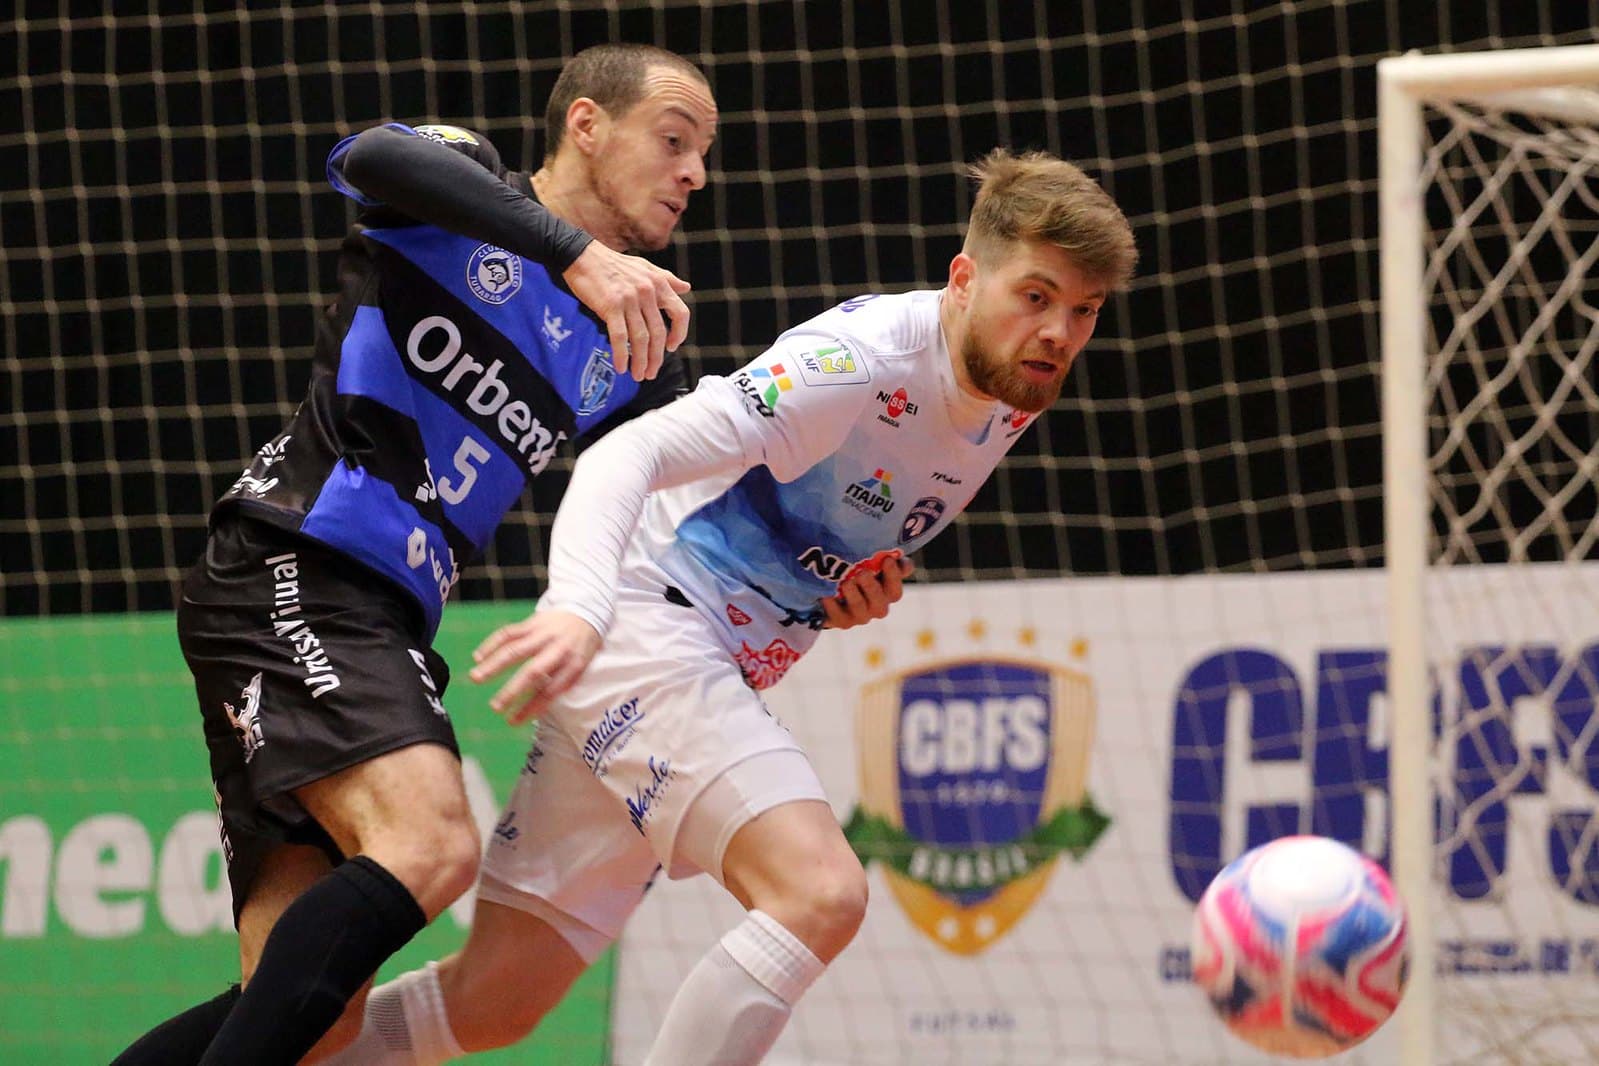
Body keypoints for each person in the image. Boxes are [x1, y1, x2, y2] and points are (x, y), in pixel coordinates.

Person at [328, 147, 1138, 1066]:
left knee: (494, 1003)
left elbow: (811, 523)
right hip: (646, 624)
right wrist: (582, 609)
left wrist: (836, 596)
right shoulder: (858, 363)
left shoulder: (1010, 387)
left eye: (1084, 312)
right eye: (1036, 298)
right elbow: (621, 458)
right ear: (962, 279)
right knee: (819, 894)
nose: (1059, 333)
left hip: (700, 652)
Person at [110, 42, 742, 1066]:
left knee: (318, 1020)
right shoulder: (466, 187)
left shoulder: (629, 338)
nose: (695, 174)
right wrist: (569, 250)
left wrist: (837, 572)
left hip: (372, 611)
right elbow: (365, 157)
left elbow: (726, 483)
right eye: (674, 142)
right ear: (585, 125)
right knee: (432, 841)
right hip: (297, 563)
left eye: (704, 153)